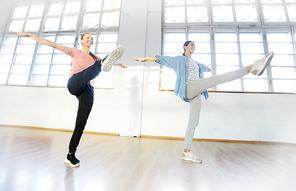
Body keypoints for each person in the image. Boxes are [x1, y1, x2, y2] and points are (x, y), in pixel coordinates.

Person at [134, 41, 274, 163]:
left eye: (194, 45)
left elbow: (205, 68)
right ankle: (252, 67)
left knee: (193, 122)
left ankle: (186, 152)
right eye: (191, 45)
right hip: (189, 88)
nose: (193, 46)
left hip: (196, 92)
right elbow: (162, 59)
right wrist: (146, 58)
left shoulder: (196, 63)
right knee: (217, 79)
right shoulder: (179, 59)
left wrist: (208, 68)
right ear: (185, 47)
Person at [11, 31, 126, 167]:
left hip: (88, 89)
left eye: (92, 38)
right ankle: (103, 65)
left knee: (81, 123)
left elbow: (110, 61)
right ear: (82, 41)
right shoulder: (74, 52)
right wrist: (30, 35)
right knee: (98, 65)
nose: (90, 40)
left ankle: (70, 155)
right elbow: (52, 44)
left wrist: (118, 64)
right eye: (87, 38)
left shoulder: (94, 58)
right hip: (75, 82)